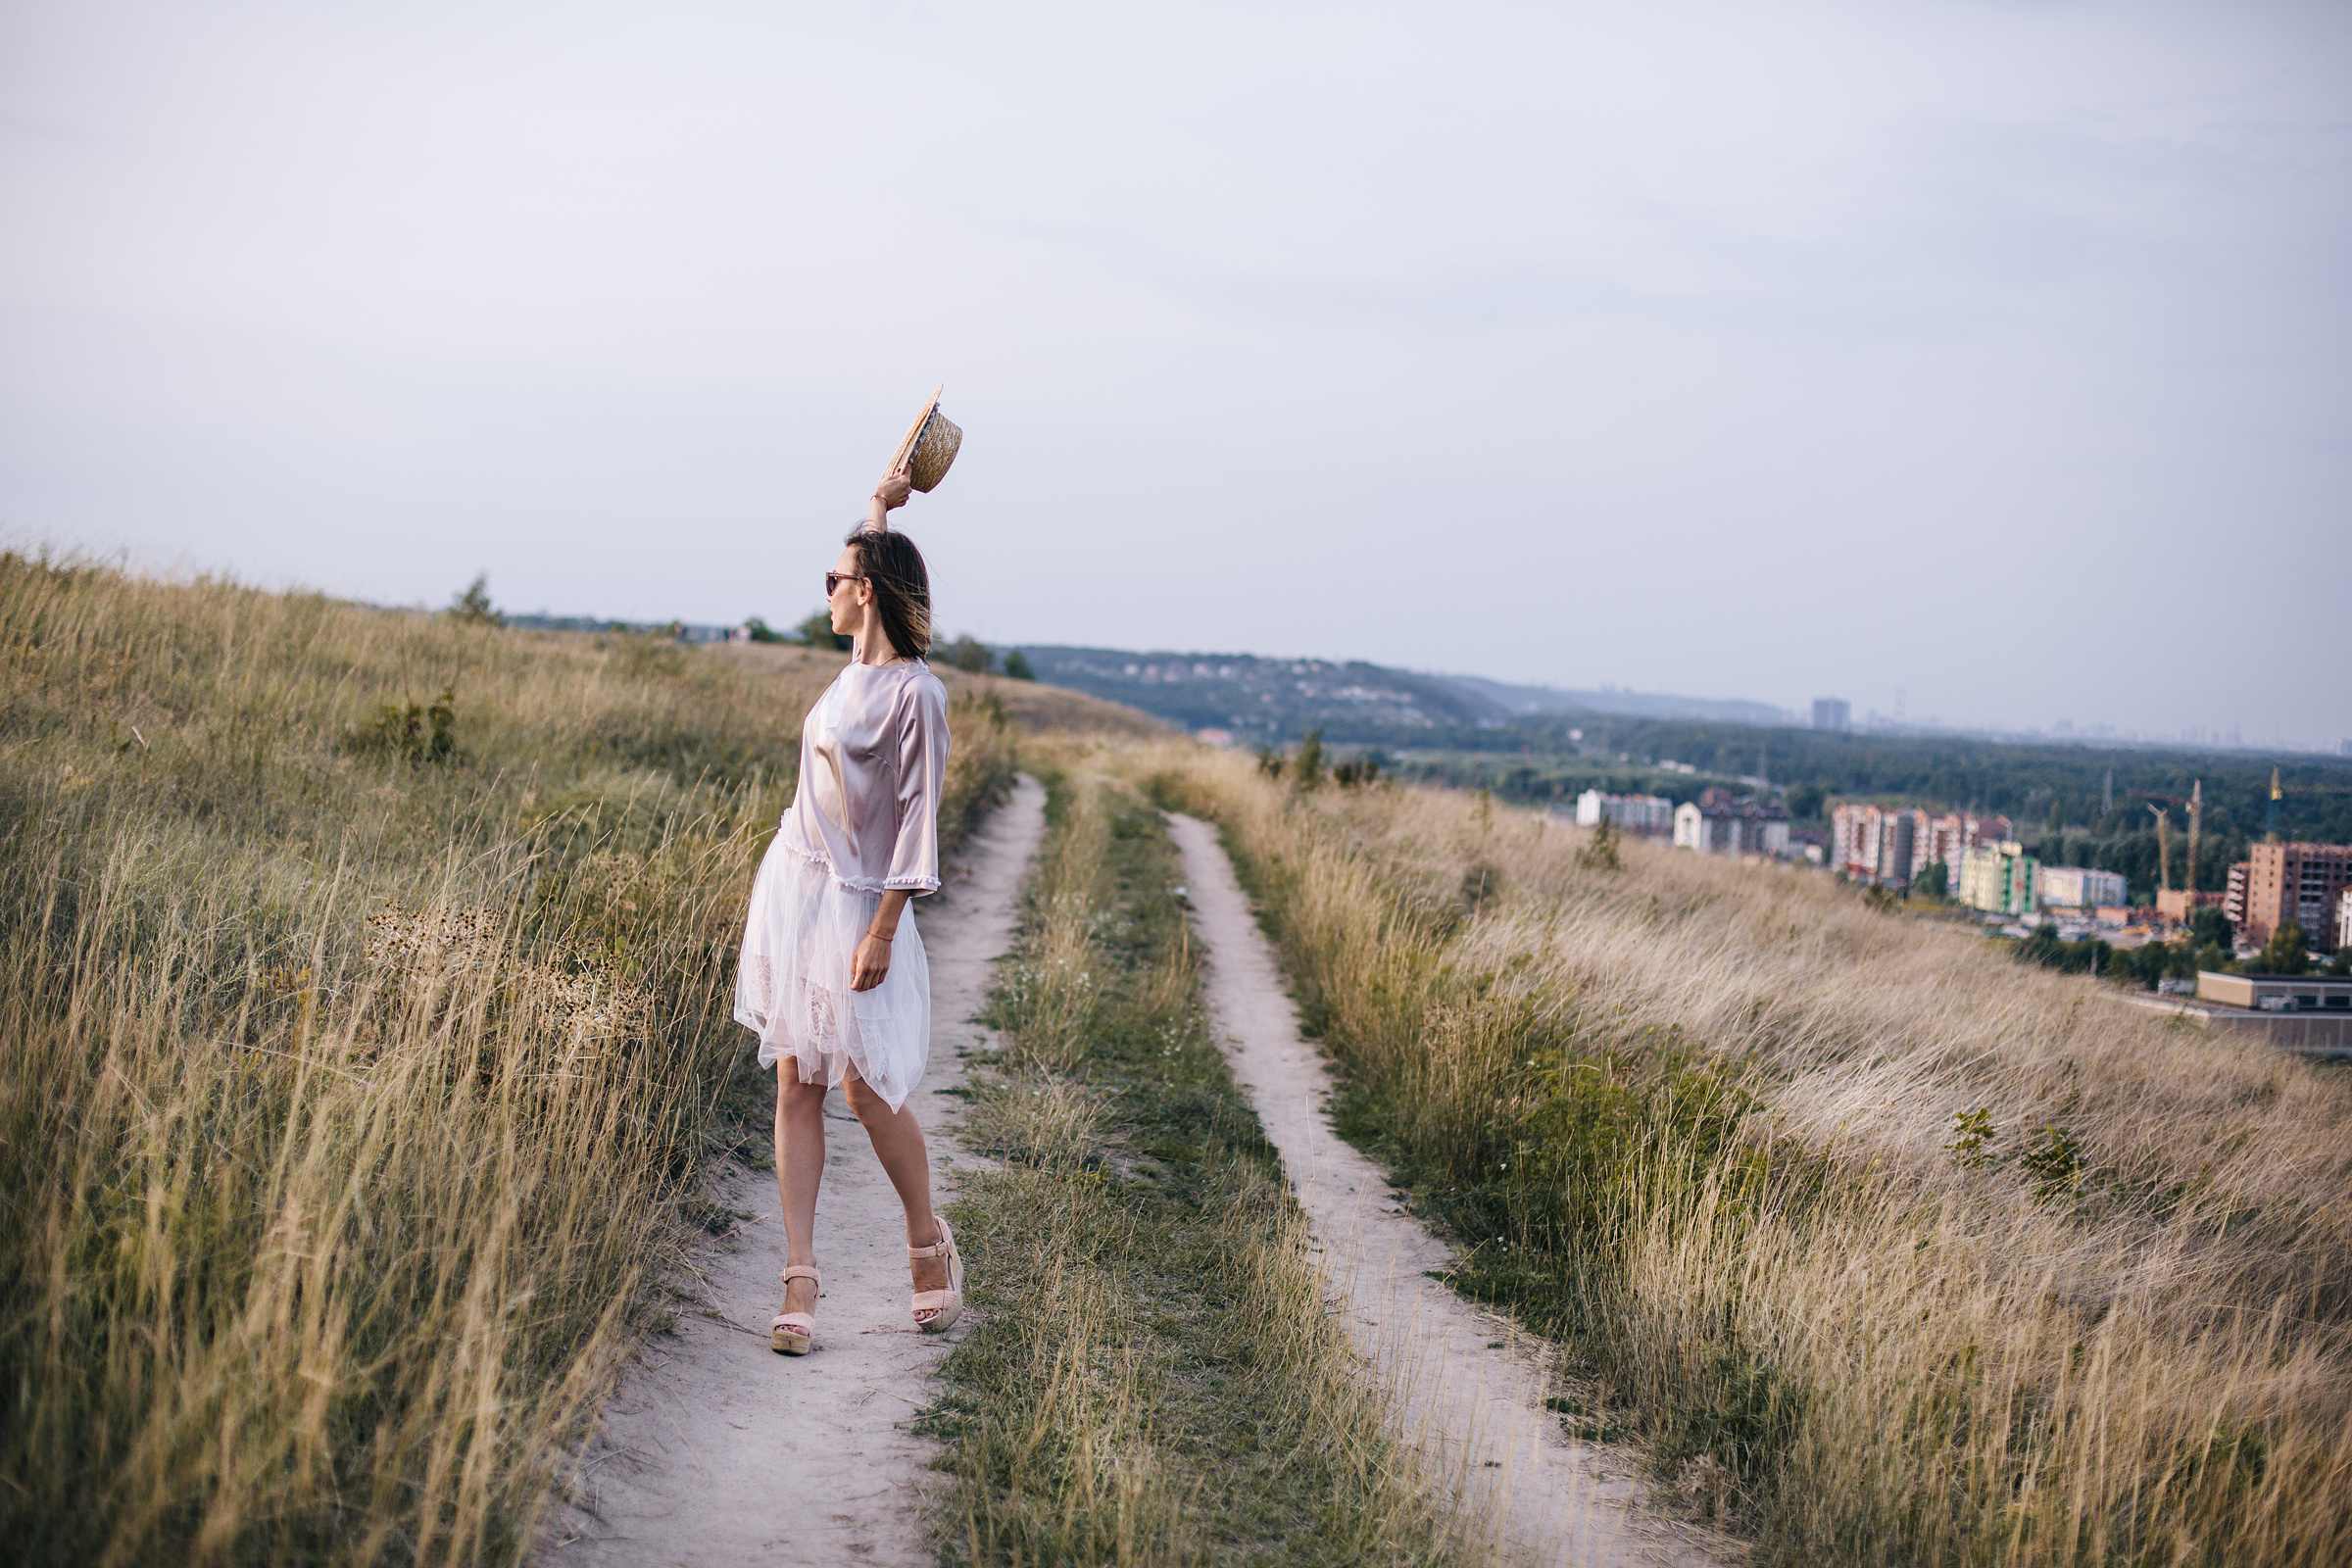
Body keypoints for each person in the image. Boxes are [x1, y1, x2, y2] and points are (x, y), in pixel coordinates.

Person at [733, 465, 963, 1355]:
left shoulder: (916, 694)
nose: (825, 588)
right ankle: (799, 1277)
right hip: (795, 890)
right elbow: (872, 564)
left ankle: (926, 1243)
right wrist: (879, 504)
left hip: (862, 905)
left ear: (864, 592)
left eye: (835, 578)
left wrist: (882, 931)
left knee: (865, 1087)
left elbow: (917, 823)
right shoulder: (852, 671)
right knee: (797, 1078)